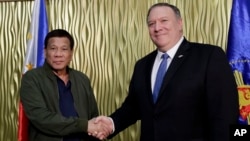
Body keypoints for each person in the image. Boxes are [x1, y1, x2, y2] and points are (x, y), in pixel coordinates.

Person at [91, 2, 239, 141]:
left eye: (164, 21)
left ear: (179, 23)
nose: (157, 27)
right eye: (151, 23)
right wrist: (111, 123)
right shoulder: (142, 65)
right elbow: (133, 107)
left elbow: (225, 115)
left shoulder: (209, 56)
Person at [20, 29, 109, 141]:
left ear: (71, 53)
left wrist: (98, 130)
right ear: (45, 52)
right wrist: (84, 125)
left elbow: (93, 117)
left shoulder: (82, 79)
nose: (58, 54)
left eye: (64, 49)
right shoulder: (32, 78)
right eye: (53, 49)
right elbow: (41, 118)